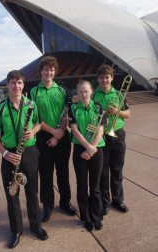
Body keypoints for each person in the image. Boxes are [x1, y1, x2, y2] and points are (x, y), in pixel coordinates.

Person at [0, 70, 48, 249]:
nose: (17, 86)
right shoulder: (0, 108)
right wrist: (4, 153)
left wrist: (34, 131)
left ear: (23, 85)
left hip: (29, 151)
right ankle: (16, 230)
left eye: (20, 83)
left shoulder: (31, 104)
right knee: (12, 193)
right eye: (13, 83)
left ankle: (36, 226)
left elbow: (39, 123)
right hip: (9, 154)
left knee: (32, 191)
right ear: (8, 85)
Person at [29, 55, 76, 222]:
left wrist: (59, 133)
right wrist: (52, 132)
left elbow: (67, 114)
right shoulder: (33, 92)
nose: (49, 72)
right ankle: (47, 205)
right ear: (40, 71)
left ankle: (65, 202)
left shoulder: (63, 90)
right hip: (42, 136)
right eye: (46, 69)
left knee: (63, 171)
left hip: (62, 136)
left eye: (52, 69)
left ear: (55, 71)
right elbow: (35, 118)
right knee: (46, 172)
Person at [92, 64, 130, 215]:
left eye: (107, 77)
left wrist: (117, 111)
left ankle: (118, 200)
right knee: (103, 171)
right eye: (101, 78)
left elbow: (128, 114)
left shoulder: (119, 94)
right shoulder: (94, 95)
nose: (104, 80)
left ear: (112, 78)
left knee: (117, 169)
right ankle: (105, 202)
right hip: (102, 136)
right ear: (98, 79)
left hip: (118, 134)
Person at [69, 80, 106, 231]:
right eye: (80, 92)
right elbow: (75, 131)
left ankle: (96, 215)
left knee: (95, 185)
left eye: (86, 91)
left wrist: (92, 148)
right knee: (82, 185)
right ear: (77, 93)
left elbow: (101, 130)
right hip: (80, 150)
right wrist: (87, 147)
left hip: (97, 149)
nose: (83, 95)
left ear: (91, 91)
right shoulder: (73, 108)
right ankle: (86, 217)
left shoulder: (98, 107)